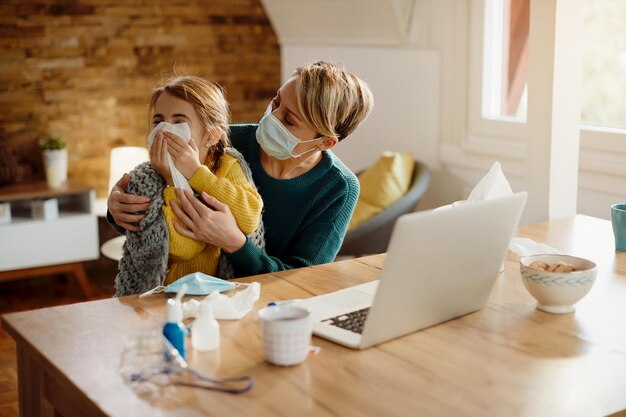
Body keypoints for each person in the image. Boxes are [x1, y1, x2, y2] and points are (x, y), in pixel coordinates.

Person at [108, 61, 373, 278]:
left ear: (325, 142)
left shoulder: (338, 187)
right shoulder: (224, 142)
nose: (271, 116)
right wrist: (118, 210)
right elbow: (161, 211)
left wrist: (235, 242)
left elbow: (301, 277)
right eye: (276, 101)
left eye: (289, 120)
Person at [113, 75, 263, 296]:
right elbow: (182, 248)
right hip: (163, 298)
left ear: (211, 136)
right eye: (158, 121)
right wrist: (174, 180)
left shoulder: (228, 165)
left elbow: (249, 218)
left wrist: (195, 174)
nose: (164, 130)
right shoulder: (147, 178)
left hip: (218, 296)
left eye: (179, 122)